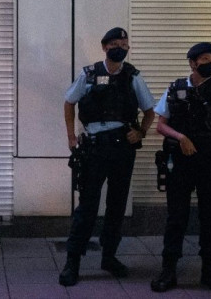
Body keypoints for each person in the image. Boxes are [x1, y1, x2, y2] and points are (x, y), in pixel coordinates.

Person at [58, 27, 156, 286]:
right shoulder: (88, 74)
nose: (119, 47)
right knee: (87, 207)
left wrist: (141, 132)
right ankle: (73, 261)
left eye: (123, 43)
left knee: (116, 204)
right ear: (104, 47)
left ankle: (109, 257)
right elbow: (69, 102)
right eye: (114, 43)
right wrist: (71, 136)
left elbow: (149, 111)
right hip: (94, 148)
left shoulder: (133, 76)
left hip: (122, 148)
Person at [150, 42, 211, 292]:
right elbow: (160, 125)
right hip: (181, 161)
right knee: (176, 216)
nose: (210, 63)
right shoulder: (175, 89)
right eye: (204, 59)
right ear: (192, 63)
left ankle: (209, 271)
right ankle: (168, 271)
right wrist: (180, 137)